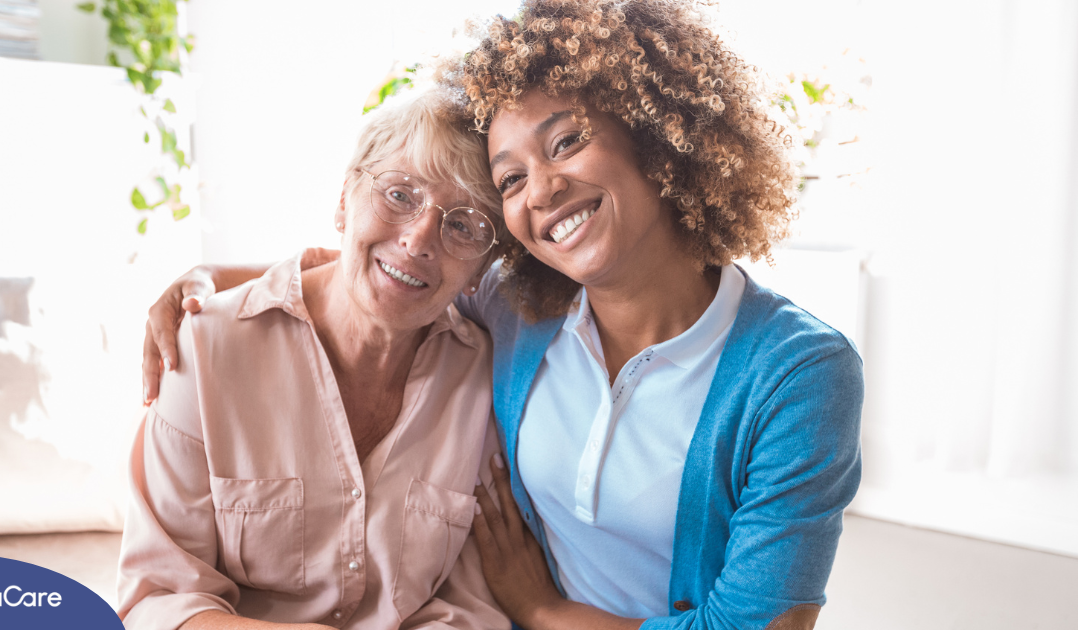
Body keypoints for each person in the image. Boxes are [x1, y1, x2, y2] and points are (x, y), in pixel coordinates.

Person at [142, 1, 864, 628]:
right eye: (510, 178)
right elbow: (382, 267)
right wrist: (208, 280)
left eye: (567, 141)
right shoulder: (522, 310)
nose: (542, 190)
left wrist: (543, 611)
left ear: (656, 134)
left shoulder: (798, 374)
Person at [118, 87, 513, 630]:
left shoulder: (483, 378)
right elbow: (158, 601)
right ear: (345, 198)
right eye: (400, 194)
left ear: (482, 268)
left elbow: (469, 607)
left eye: (463, 225)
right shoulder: (207, 350)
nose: (420, 240)